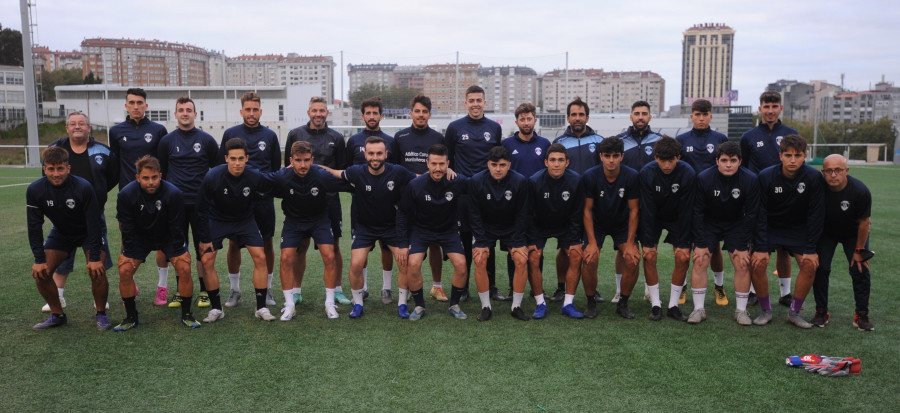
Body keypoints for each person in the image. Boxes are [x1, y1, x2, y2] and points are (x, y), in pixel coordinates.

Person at [323, 136, 415, 318]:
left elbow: (420, 179)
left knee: (406, 263)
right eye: (371, 153)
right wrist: (312, 168)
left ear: (386, 154)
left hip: (391, 227)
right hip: (364, 227)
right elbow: (334, 172)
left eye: (379, 153)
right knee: (356, 263)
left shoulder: (397, 172)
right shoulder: (356, 172)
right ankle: (358, 303)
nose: (375, 157)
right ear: (365, 155)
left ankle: (402, 303)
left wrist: (447, 171)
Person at [41, 112, 116, 313]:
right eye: (73, 124)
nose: (77, 127)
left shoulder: (103, 150)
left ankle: (100, 299)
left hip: (93, 213)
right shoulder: (55, 148)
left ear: (88, 127)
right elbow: (47, 176)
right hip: (63, 214)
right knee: (62, 257)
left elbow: (113, 176)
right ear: (67, 128)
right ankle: (58, 296)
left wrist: (96, 194)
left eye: (81, 124)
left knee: (96, 256)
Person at [27, 147, 109, 330]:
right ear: (44, 169)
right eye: (51, 169)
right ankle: (57, 315)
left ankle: (101, 314)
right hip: (62, 232)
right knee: (42, 273)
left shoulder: (83, 187)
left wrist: (95, 257)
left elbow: (94, 224)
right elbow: (34, 227)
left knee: (97, 270)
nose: (56, 174)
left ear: (68, 168)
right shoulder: (35, 190)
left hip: (89, 232)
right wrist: (39, 260)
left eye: (60, 168)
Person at [113, 155, 198, 330]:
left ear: (160, 175)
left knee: (184, 267)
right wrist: (128, 252)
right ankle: (131, 317)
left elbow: (177, 226)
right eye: (145, 178)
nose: (150, 182)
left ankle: (187, 314)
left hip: (167, 235)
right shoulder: (126, 194)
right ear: (138, 178)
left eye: (154, 177)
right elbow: (126, 226)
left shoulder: (174, 193)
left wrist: (178, 253)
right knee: (125, 269)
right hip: (139, 237)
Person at [267, 141, 350, 320]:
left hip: (319, 220)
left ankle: (329, 303)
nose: (303, 165)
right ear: (290, 160)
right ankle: (289, 304)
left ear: (312, 159)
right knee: (286, 257)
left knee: (329, 255)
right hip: (294, 221)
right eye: (298, 160)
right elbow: (261, 182)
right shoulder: (282, 176)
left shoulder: (321, 176)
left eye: (306, 160)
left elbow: (347, 185)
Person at [196, 138, 274, 322]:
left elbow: (275, 185)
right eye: (233, 158)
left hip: (244, 220)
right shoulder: (213, 176)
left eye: (240, 158)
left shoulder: (254, 176)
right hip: (218, 220)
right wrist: (205, 238)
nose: (237, 163)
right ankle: (216, 309)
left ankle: (261, 307)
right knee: (207, 259)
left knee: (261, 257)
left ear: (247, 158)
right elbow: (201, 209)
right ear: (226, 158)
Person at [283, 96, 351, 305]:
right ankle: (295, 290)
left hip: (329, 202)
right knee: (300, 247)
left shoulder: (337, 138)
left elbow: (342, 170)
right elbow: (287, 166)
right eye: (315, 110)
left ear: (326, 113)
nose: (318, 114)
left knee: (334, 247)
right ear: (309, 112)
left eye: (322, 110)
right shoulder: (296, 134)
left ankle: (337, 290)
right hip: (301, 200)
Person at [752, 134, 824, 328]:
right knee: (758, 262)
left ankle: (794, 312)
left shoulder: (814, 177)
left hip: (798, 229)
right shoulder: (766, 176)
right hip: (770, 227)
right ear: (780, 155)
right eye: (788, 155)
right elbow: (760, 213)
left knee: (810, 264)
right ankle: (765, 310)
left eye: (798, 155)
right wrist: (760, 246)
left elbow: (816, 214)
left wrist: (811, 248)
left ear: (805, 156)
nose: (793, 160)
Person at [687, 142, 762, 325]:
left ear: (740, 161)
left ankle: (741, 311)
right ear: (717, 161)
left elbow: (752, 214)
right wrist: (700, 242)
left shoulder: (750, 179)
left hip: (736, 223)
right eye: (724, 160)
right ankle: (698, 309)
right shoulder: (704, 178)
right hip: (709, 223)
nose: (729, 164)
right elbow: (696, 211)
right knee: (700, 258)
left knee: (742, 262)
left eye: (733, 160)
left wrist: (743, 245)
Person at [108, 88, 171, 306]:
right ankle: (130, 283)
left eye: (140, 102)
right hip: (128, 196)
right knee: (127, 239)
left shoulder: (158, 130)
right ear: (126, 105)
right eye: (132, 102)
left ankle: (162, 287)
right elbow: (115, 163)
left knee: (162, 241)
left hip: (155, 194)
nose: (136, 106)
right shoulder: (115, 131)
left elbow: (164, 163)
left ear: (146, 105)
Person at [218, 92, 281, 309]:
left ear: (260, 111)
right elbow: (222, 168)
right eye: (248, 109)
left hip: (262, 201)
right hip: (237, 201)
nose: (251, 113)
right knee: (234, 243)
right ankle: (235, 290)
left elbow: (274, 170)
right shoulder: (230, 134)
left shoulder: (270, 136)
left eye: (255, 109)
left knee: (266, 242)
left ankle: (268, 288)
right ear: (241, 111)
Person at [158, 96, 219, 310]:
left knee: (202, 248)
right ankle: (179, 291)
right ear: (175, 114)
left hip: (201, 205)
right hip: (175, 206)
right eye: (181, 110)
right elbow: (161, 173)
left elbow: (218, 170)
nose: (185, 113)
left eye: (189, 110)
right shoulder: (167, 141)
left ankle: (203, 291)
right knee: (178, 249)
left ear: (195, 114)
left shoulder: (207, 140)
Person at [397, 144, 471, 321]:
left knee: (462, 265)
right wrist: (401, 243)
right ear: (427, 163)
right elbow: (402, 213)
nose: (438, 168)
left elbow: (478, 186)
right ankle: (419, 305)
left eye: (442, 164)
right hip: (421, 231)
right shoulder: (415, 185)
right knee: (413, 264)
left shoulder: (457, 181)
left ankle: (454, 304)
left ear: (448, 164)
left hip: (448, 231)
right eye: (434, 164)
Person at [445, 85, 505, 301]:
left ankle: (491, 286)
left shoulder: (494, 128)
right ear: (466, 103)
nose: (475, 104)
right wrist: (450, 169)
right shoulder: (455, 127)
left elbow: (498, 158)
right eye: (471, 100)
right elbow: (447, 157)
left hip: (488, 192)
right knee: (466, 240)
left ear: (485, 103)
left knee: (487, 240)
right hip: (463, 194)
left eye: (479, 100)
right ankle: (463, 289)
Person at [740, 91, 800, 305]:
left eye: (774, 106)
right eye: (766, 107)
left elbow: (798, 164)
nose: (770, 111)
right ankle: (755, 291)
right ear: (760, 109)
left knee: (784, 248)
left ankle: (785, 294)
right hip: (758, 199)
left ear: (780, 108)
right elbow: (743, 169)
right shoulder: (748, 137)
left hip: (785, 200)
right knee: (755, 246)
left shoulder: (792, 134)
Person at [391, 94, 447, 302]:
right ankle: (404, 293)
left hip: (433, 199)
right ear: (411, 113)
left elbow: (443, 165)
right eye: (417, 111)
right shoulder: (400, 137)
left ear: (429, 114)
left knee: (435, 244)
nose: (421, 115)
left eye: (425, 112)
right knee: (407, 246)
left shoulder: (437, 137)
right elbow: (395, 168)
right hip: (408, 200)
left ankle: (437, 286)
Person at [676, 98, 730, 307]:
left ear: (710, 116)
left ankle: (719, 286)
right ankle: (682, 286)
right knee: (687, 245)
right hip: (689, 200)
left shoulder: (720, 138)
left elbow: (726, 168)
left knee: (714, 246)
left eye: (704, 114)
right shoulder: (681, 140)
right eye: (697, 114)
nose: (701, 118)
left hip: (713, 200)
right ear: (691, 116)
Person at [468, 147, 531, 321]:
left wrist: (518, 241)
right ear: (488, 164)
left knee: (521, 259)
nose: (498, 169)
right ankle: (486, 306)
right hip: (486, 227)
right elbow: (474, 214)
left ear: (509, 165)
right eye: (494, 165)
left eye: (502, 165)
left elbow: (523, 213)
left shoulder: (520, 181)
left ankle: (516, 306)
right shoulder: (476, 181)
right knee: (480, 259)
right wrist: (480, 240)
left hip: (511, 227)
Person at [580, 137, 640, 319]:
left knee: (632, 258)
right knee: (589, 258)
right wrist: (591, 242)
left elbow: (634, 210)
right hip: (597, 223)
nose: (611, 160)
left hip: (621, 223)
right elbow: (587, 210)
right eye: (607, 156)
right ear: (601, 156)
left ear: (622, 156)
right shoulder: (590, 176)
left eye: (615, 156)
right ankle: (591, 302)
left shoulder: (631, 176)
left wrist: (630, 243)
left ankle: (623, 303)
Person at [812, 154, 873, 331]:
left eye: (838, 170)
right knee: (821, 267)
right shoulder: (818, 187)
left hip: (853, 233)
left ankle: (861, 314)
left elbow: (864, 223)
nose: (833, 174)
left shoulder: (860, 191)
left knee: (859, 268)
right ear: (823, 172)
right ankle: (821, 311)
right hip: (827, 232)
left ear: (846, 171)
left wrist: (860, 249)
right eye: (828, 171)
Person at [552, 97, 604, 303]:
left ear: (587, 117)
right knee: (565, 250)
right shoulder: (560, 143)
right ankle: (560, 287)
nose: (577, 118)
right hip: (568, 205)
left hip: (593, 205)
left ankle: (592, 289)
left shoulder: (599, 141)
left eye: (581, 114)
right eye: (573, 115)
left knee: (592, 249)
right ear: (568, 118)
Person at [638, 136, 695, 321]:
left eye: (671, 160)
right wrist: (647, 243)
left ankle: (673, 305)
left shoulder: (687, 173)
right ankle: (656, 305)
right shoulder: (647, 173)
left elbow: (687, 210)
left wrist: (685, 243)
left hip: (678, 217)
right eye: (663, 160)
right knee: (649, 255)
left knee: (683, 256)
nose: (667, 164)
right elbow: (646, 210)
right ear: (656, 158)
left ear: (678, 157)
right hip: (653, 217)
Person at [345, 97, 395, 304]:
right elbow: (347, 171)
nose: (372, 116)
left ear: (381, 116)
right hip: (361, 204)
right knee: (362, 247)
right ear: (363, 115)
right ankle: (363, 287)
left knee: (386, 247)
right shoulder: (353, 141)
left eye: (376, 113)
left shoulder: (390, 141)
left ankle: (386, 288)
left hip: (387, 204)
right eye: (368, 113)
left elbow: (395, 171)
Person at [527, 144, 584, 319]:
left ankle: (568, 303)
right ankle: (540, 303)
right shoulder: (534, 181)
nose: (556, 164)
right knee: (534, 257)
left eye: (560, 160)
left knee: (575, 255)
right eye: (552, 160)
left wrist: (575, 241)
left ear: (567, 162)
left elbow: (577, 213)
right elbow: (528, 213)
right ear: (546, 162)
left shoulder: (576, 180)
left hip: (565, 225)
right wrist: (530, 240)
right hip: (540, 225)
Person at [502, 103, 551, 301]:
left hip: (538, 205)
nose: (526, 122)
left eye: (529, 118)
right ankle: (513, 288)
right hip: (513, 205)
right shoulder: (507, 144)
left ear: (534, 120)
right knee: (513, 249)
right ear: (517, 122)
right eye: (522, 119)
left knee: (537, 249)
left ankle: (536, 288)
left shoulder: (545, 144)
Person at [618, 100, 663, 303]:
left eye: (644, 113)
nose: (640, 117)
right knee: (624, 247)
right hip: (625, 204)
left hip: (651, 203)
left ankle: (648, 288)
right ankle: (620, 290)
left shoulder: (659, 141)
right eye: (637, 113)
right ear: (631, 116)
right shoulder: (620, 141)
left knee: (649, 248)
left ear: (650, 117)